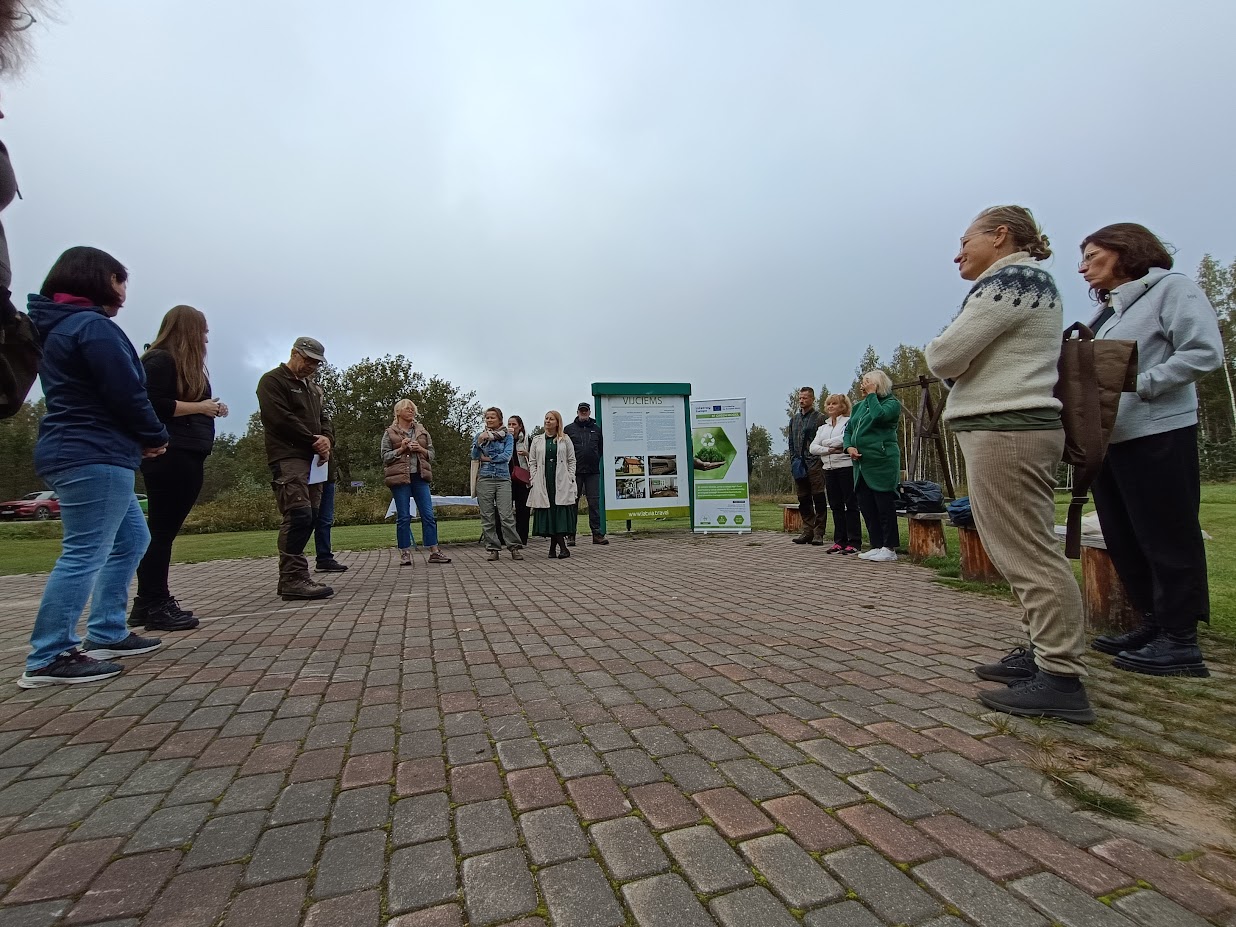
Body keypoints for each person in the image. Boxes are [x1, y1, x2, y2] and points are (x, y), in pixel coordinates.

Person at [927, 205, 1093, 723]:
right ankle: (1041, 653)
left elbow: (944, 355)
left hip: (1008, 429)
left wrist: (947, 352)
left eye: (965, 240)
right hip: (1003, 429)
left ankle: (1061, 678)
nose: (958, 254)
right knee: (1019, 549)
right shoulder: (1021, 282)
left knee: (1028, 553)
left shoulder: (1014, 279)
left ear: (1000, 236)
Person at [19, 247, 167, 687]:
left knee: (132, 539)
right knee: (85, 551)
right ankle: (50, 654)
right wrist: (154, 434)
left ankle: (107, 630)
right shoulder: (92, 327)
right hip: (92, 451)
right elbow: (123, 390)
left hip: (85, 447)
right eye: (120, 280)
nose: (124, 291)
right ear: (98, 279)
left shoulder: (61, 327)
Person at [1080, 223, 1223, 678]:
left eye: (1094, 257)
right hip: (1110, 439)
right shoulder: (1109, 313)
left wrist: (1142, 384)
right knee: (1124, 537)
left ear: (1128, 253)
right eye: (1082, 259)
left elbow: (1203, 352)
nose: (1084, 268)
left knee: (1167, 534)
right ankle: (1153, 622)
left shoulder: (1171, 290)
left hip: (1158, 432)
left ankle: (1181, 639)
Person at [132, 305, 226, 633]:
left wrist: (209, 409)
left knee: (161, 531)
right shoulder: (160, 361)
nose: (205, 337)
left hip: (185, 454)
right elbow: (151, 403)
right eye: (202, 330)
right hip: (170, 455)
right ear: (186, 330)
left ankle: (145, 603)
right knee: (160, 532)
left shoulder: (180, 366)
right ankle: (156, 601)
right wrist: (201, 407)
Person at [256, 337, 336, 600]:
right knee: (298, 514)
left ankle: (295, 577)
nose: (311, 367)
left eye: (316, 363)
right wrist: (313, 441)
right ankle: (292, 577)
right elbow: (280, 419)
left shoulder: (314, 389)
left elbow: (325, 418)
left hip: (315, 460)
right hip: (289, 456)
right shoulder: (273, 381)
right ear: (294, 353)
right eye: (308, 361)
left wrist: (326, 438)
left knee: (311, 516)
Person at [382, 398, 451, 566]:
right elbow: (385, 457)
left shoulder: (422, 431)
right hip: (400, 479)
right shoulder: (390, 432)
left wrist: (420, 449)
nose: (411, 411)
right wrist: (401, 449)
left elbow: (432, 454)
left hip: (420, 477)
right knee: (404, 516)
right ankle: (405, 552)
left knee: (428, 514)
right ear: (398, 412)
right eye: (407, 409)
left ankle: (434, 551)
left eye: (412, 409)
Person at [844, 370, 902, 561]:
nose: (862, 386)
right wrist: (849, 446)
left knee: (884, 506)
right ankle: (877, 545)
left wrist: (871, 395)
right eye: (862, 383)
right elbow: (849, 429)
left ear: (877, 384)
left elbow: (879, 417)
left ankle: (889, 547)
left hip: (881, 462)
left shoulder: (892, 404)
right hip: (860, 465)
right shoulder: (859, 406)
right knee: (867, 507)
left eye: (867, 383)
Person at [810, 393, 861, 554]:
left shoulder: (849, 422)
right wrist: (830, 449)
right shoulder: (823, 427)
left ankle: (854, 542)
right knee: (835, 506)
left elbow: (846, 439)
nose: (831, 406)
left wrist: (826, 445)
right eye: (828, 404)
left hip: (846, 467)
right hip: (829, 469)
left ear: (843, 406)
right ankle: (839, 541)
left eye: (834, 404)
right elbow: (813, 448)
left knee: (851, 505)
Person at [471, 406, 524, 561]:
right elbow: (474, 456)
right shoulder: (479, 436)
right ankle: (493, 548)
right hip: (485, 478)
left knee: (506, 515)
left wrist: (488, 458)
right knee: (487, 516)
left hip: (502, 478)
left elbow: (506, 456)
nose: (489, 420)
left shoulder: (507, 436)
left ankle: (514, 546)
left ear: (499, 419)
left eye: (492, 417)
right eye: (487, 417)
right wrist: (478, 443)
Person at [529, 410, 579, 558]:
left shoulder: (565, 439)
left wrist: (570, 476)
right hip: (544, 479)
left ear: (557, 422)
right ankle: (559, 548)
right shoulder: (537, 440)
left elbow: (572, 460)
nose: (547, 421)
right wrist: (534, 476)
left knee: (558, 512)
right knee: (549, 511)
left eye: (551, 419)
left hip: (561, 480)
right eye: (546, 418)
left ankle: (559, 548)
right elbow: (532, 461)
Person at [788, 387, 828, 545]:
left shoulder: (820, 418)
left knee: (818, 498)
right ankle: (807, 530)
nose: (801, 401)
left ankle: (819, 532)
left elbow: (824, 440)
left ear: (812, 399)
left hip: (815, 464)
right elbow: (791, 441)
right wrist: (792, 459)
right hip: (798, 464)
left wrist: (818, 459)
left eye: (805, 398)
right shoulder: (794, 419)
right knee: (803, 498)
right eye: (800, 398)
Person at [565, 401, 607, 545]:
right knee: (572, 503)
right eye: (581, 410)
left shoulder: (597, 429)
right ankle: (571, 535)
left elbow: (600, 449)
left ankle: (597, 534)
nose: (583, 413)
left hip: (592, 471)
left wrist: (594, 460)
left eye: (586, 411)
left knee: (594, 503)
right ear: (577, 412)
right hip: (574, 472)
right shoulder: (569, 429)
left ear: (589, 412)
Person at [311, 440, 348, 574]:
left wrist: (326, 439)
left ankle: (324, 558)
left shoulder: (324, 420)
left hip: (326, 472)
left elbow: (330, 434)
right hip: (305, 470)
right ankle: (294, 563)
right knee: (304, 518)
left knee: (325, 519)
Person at [507, 415, 532, 545]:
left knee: (523, 509)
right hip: (507, 478)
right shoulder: (504, 439)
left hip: (522, 478)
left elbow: (536, 457)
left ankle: (522, 538)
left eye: (514, 424)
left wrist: (527, 454)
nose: (511, 427)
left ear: (520, 426)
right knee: (506, 510)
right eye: (509, 424)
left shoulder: (527, 440)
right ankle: (507, 538)